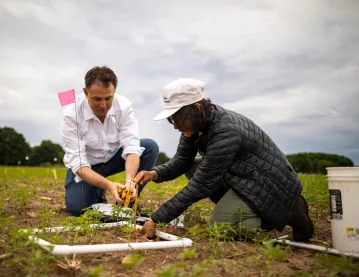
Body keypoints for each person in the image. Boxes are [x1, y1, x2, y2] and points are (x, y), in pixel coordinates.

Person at [136, 78, 314, 242]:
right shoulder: (195, 124)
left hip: (265, 184)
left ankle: (286, 213)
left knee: (219, 228)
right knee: (192, 167)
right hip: (242, 176)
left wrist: (157, 219)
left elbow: (200, 185)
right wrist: (154, 173)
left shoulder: (226, 132)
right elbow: (182, 160)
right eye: (171, 119)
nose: (175, 125)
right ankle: (238, 209)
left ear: (196, 109)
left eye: (177, 117)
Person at [60, 66, 159, 216]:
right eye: (97, 99)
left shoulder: (124, 106)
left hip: (113, 158)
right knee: (77, 209)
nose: (103, 105)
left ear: (114, 93)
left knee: (149, 147)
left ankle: (127, 202)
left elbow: (131, 148)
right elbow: (79, 165)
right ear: (86, 92)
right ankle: (97, 191)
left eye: (108, 98)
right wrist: (109, 185)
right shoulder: (71, 115)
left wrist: (129, 182)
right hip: (87, 166)